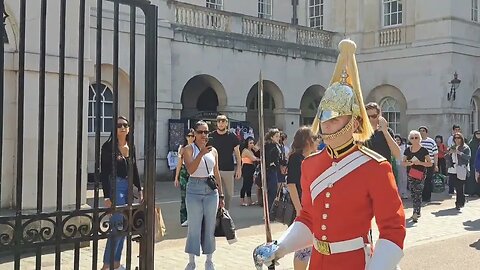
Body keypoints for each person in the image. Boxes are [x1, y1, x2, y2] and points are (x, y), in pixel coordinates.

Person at [253, 39, 406, 270]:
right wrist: (280, 247)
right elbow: (308, 219)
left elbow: (393, 230)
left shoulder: (376, 167)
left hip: (355, 262)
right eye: (324, 116)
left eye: (335, 118)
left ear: (354, 122)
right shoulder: (310, 164)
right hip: (318, 262)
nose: (326, 124)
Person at [100, 116, 142, 270]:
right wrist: (106, 196)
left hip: (128, 187)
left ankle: (116, 263)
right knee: (117, 225)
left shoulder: (131, 146)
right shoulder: (108, 147)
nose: (123, 127)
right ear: (115, 129)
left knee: (124, 226)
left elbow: (135, 168)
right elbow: (104, 173)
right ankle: (106, 265)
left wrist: (140, 188)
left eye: (125, 125)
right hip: (115, 186)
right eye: (119, 125)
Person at [182, 121, 224, 270]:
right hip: (194, 188)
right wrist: (201, 153)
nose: (204, 135)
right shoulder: (188, 149)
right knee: (194, 226)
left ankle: (209, 260)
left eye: (206, 132)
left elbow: (216, 172)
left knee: (210, 225)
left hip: (210, 190)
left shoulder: (213, 151)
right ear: (194, 133)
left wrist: (221, 194)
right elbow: (191, 170)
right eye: (201, 132)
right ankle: (192, 261)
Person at [286, 126, 317, 270]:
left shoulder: (311, 158)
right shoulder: (295, 158)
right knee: (303, 247)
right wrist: (299, 210)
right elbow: (291, 185)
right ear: (306, 140)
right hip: (301, 208)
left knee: (310, 245)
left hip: (312, 208)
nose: (317, 141)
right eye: (314, 138)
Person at [209, 115, 241, 210]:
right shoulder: (211, 136)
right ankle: (216, 212)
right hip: (214, 169)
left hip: (228, 169)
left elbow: (237, 153)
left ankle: (225, 212)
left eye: (223, 121)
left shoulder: (232, 136)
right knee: (215, 192)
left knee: (229, 194)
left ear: (226, 123)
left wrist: (239, 168)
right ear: (217, 123)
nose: (221, 123)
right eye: (219, 121)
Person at [402, 130, 432, 222]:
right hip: (411, 173)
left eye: (416, 137)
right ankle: (416, 210)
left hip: (420, 173)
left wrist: (420, 163)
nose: (414, 139)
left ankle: (416, 212)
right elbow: (403, 163)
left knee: (418, 192)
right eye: (412, 138)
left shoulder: (424, 150)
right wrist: (409, 163)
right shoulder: (408, 150)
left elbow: (430, 163)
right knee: (413, 192)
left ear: (420, 138)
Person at [174, 128, 196, 227]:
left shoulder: (196, 147)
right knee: (184, 196)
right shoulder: (182, 148)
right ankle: (184, 218)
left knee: (194, 196)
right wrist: (176, 177)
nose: (190, 138)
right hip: (184, 171)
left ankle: (193, 217)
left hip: (194, 171)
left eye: (192, 136)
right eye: (189, 136)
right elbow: (179, 163)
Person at [445, 132, 471, 210]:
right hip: (453, 169)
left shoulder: (466, 147)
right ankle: (461, 201)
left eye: (458, 138)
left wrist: (459, 153)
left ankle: (459, 203)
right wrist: (449, 153)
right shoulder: (452, 147)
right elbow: (445, 157)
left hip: (461, 168)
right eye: (455, 138)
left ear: (461, 139)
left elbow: (468, 157)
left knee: (459, 187)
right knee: (456, 187)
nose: (457, 139)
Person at [418, 126, 438, 202]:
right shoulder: (417, 141)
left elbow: (435, 154)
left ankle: (427, 197)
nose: (421, 132)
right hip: (419, 165)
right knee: (419, 180)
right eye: (420, 131)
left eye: (423, 131)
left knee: (428, 180)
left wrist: (436, 165)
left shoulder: (431, 142)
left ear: (426, 132)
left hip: (430, 164)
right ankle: (420, 196)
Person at [264, 128, 282, 213]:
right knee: (272, 191)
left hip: (274, 169)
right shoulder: (270, 146)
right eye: (276, 136)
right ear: (271, 137)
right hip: (271, 170)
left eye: (279, 136)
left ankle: (270, 210)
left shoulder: (277, 145)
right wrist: (272, 163)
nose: (278, 138)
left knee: (273, 191)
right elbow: (270, 158)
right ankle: (269, 211)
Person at [240, 137, 259, 206]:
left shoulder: (251, 151)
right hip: (246, 167)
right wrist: (258, 159)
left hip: (251, 167)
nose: (252, 144)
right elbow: (253, 158)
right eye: (250, 143)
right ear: (247, 143)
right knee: (245, 184)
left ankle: (249, 200)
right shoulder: (246, 151)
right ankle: (242, 200)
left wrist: (255, 149)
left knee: (250, 184)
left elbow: (257, 155)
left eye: (253, 143)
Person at [466, 130, 480, 196]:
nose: (478, 135)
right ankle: (471, 192)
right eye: (477, 134)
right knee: (472, 178)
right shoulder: (471, 143)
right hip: (472, 163)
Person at [394, 135, 408, 199]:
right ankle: (399, 193)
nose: (397, 141)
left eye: (398, 140)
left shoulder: (404, 147)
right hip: (396, 164)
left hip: (403, 164)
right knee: (399, 179)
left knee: (404, 179)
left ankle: (404, 193)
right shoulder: (392, 147)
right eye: (396, 140)